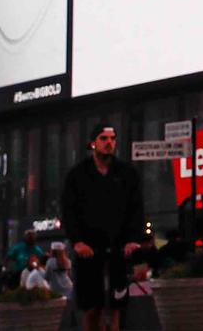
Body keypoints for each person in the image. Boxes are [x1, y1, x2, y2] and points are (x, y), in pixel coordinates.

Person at [61, 125, 144, 331]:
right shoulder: (78, 175)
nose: (109, 143)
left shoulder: (127, 174)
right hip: (89, 249)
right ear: (93, 143)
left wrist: (133, 239)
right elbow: (69, 211)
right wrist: (78, 241)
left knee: (116, 306)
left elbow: (137, 208)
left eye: (113, 138)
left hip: (118, 248)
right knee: (92, 307)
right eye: (104, 138)